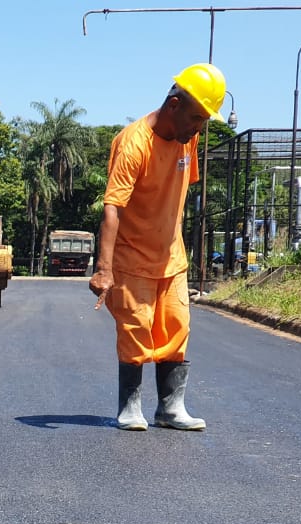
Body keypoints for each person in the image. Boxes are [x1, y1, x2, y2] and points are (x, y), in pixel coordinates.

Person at [89, 62, 226, 431]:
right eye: (197, 118)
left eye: (204, 121)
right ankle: (129, 407)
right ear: (174, 104)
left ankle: (170, 408)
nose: (200, 128)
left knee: (177, 327)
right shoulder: (133, 144)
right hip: (132, 258)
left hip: (172, 257)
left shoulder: (189, 137)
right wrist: (104, 268)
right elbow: (113, 206)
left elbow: (177, 193)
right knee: (136, 330)